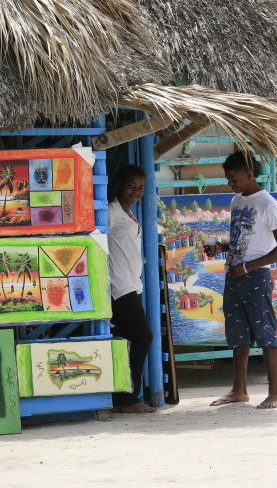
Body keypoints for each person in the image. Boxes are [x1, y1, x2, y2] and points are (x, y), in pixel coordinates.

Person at [206, 151, 277, 409]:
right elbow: (243, 241)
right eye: (228, 179)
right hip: (235, 274)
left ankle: (275, 393)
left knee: (265, 333)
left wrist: (248, 266)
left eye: (234, 178)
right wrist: (221, 248)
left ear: (249, 174)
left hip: (255, 276)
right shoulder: (236, 201)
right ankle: (239, 390)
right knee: (238, 334)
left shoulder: (267, 204)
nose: (231, 183)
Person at [107, 165, 156, 413]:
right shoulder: (111, 212)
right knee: (143, 336)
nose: (136, 192)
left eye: (140, 188)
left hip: (131, 285)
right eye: (131, 186)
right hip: (118, 286)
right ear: (119, 184)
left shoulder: (128, 213)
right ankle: (128, 399)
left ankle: (120, 399)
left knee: (127, 341)